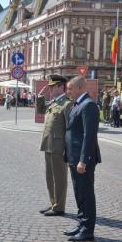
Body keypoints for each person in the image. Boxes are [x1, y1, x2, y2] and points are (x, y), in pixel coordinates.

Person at [64, 76, 101, 242]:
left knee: (86, 193)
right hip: (74, 157)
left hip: (82, 160)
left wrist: (83, 160)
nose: (68, 91)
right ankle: (81, 224)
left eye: (70, 89)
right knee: (79, 193)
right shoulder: (77, 104)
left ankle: (87, 230)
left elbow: (89, 136)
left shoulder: (89, 105)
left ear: (79, 88)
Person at [37, 75, 72, 217]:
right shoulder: (54, 103)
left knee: (59, 178)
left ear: (60, 86)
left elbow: (70, 129)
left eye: (52, 86)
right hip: (48, 144)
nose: (50, 88)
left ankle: (59, 207)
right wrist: (40, 96)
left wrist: (67, 149)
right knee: (50, 176)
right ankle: (53, 203)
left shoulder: (67, 104)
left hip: (59, 147)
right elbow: (40, 110)